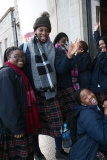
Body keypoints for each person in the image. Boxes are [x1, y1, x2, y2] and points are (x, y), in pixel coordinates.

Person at [19, 11, 65, 160]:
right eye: (41, 30)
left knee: (57, 122)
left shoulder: (55, 49)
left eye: (46, 30)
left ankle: (59, 150)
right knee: (35, 126)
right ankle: (37, 152)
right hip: (33, 94)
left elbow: (60, 69)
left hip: (51, 93)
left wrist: (69, 57)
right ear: (35, 31)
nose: (43, 32)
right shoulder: (25, 47)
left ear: (49, 32)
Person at [0, 46, 40, 160]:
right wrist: (17, 128)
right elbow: (6, 104)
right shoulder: (5, 74)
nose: (21, 59)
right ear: (8, 58)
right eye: (16, 56)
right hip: (4, 128)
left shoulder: (18, 73)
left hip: (12, 125)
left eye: (23, 56)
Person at [69, 88, 107, 160]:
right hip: (86, 154)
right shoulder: (87, 115)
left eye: (89, 92)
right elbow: (104, 139)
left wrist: (105, 101)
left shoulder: (92, 107)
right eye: (85, 98)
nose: (90, 96)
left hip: (90, 147)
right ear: (82, 103)